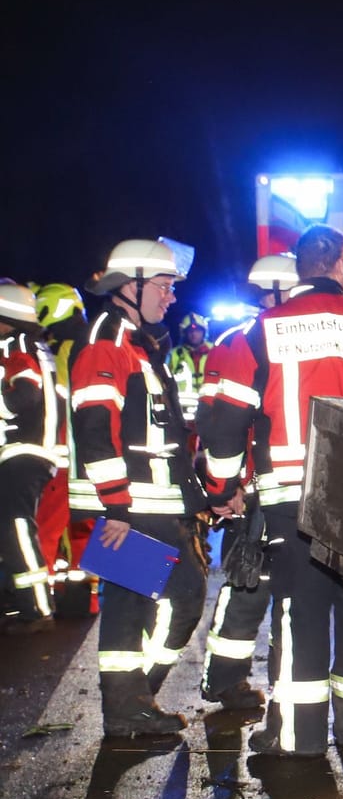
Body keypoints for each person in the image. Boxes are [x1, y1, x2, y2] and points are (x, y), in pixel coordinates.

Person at [196, 226, 343, 757]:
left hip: (289, 500)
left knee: (298, 611)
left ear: (299, 267)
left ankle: (297, 737)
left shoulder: (262, 331)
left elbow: (225, 420)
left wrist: (222, 488)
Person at [70, 238, 207, 738]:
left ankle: (134, 700)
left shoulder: (133, 341)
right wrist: (117, 507)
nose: (172, 297)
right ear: (131, 285)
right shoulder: (108, 341)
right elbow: (94, 424)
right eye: (165, 286)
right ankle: (130, 705)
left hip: (146, 501)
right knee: (153, 600)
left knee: (149, 601)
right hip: (131, 504)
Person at [195, 254, 303, 712]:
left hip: (276, 485)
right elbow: (217, 421)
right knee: (248, 585)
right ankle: (226, 680)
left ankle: (282, 687)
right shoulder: (237, 343)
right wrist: (229, 488)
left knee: (277, 591)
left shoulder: (247, 340)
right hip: (256, 489)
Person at [0, 282, 60, 632]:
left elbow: (26, 394)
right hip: (32, 450)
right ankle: (29, 603)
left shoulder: (17, 345)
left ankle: (37, 609)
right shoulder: (33, 344)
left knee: (17, 524)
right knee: (14, 525)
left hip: (24, 450)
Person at [32, 283, 95, 612]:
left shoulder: (65, 347)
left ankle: (36, 604)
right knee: (87, 529)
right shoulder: (90, 340)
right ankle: (88, 599)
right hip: (91, 457)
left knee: (46, 526)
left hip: (65, 455)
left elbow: (60, 403)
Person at [168, 311, 212, 423]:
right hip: (183, 413)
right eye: (190, 331)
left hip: (210, 410)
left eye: (197, 330)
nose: (194, 334)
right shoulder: (174, 354)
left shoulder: (214, 352)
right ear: (184, 333)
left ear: (203, 332)